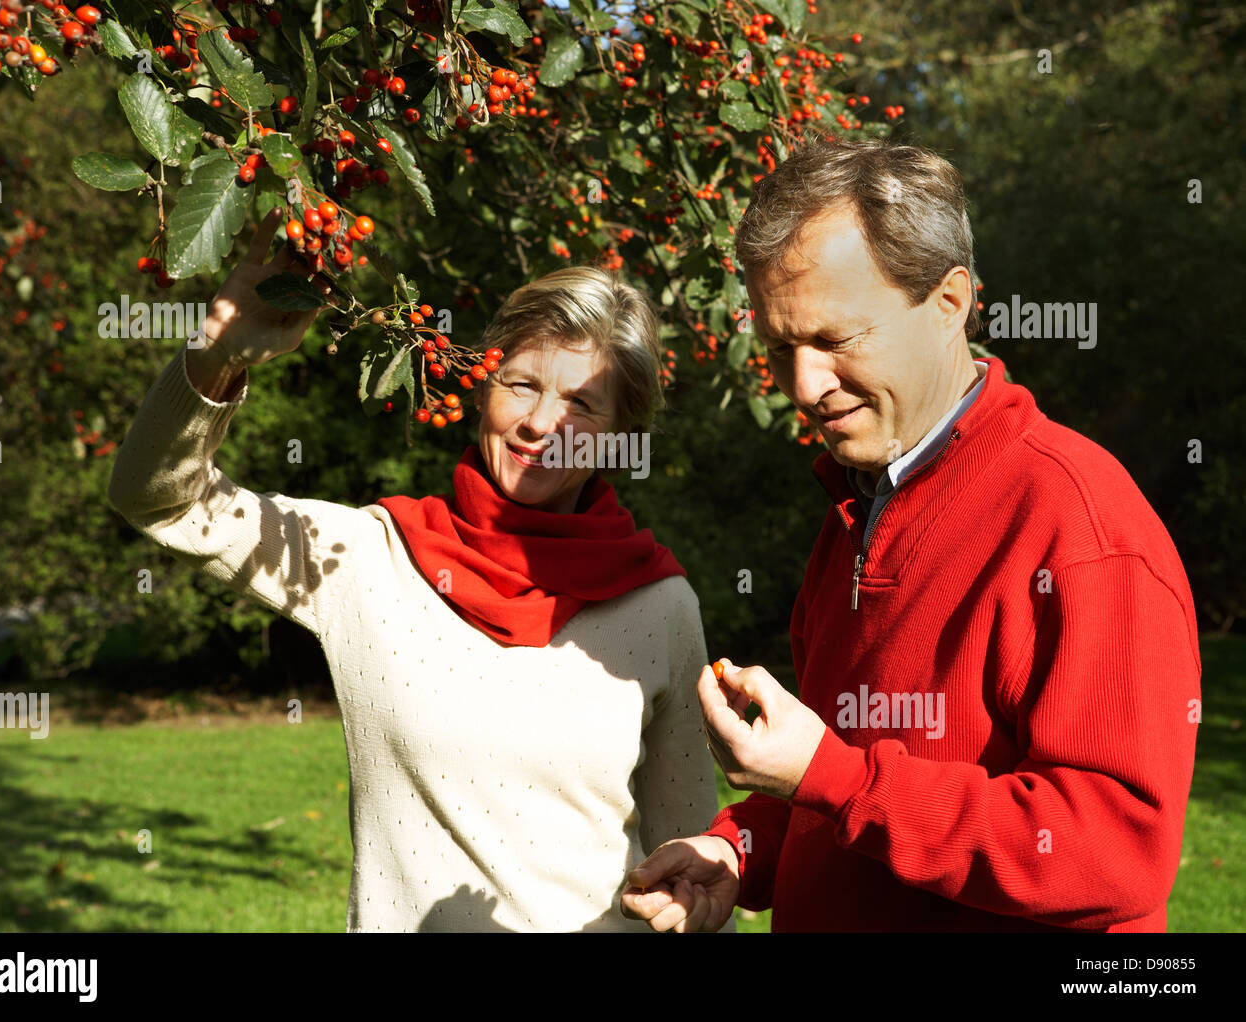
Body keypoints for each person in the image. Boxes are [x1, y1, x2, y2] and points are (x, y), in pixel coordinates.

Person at [622, 137, 1201, 933]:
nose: (804, 386)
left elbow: (1116, 853)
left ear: (950, 301)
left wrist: (830, 776)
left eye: (834, 340)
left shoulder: (1077, 522)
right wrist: (742, 848)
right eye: (781, 348)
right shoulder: (861, 507)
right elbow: (847, 781)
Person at [108, 208, 726, 932]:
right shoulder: (370, 557)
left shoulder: (658, 605)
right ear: (479, 387)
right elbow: (159, 498)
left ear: (621, 433)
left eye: (582, 403)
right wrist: (217, 356)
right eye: (522, 384)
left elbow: (691, 863)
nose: (540, 424)